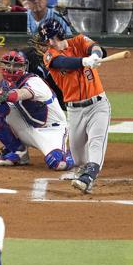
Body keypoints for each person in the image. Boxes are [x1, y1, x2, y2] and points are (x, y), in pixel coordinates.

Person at [38, 19, 110, 195]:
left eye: (52, 38)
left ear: (60, 34)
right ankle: (84, 170)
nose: (50, 43)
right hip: (75, 110)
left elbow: (96, 48)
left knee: (96, 142)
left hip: (98, 105)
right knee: (78, 158)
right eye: (47, 40)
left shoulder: (79, 41)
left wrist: (94, 56)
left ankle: (88, 177)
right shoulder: (49, 56)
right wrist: (84, 62)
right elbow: (63, 63)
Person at [0, 50, 73, 170]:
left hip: (52, 129)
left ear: (25, 67)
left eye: (16, 65)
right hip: (27, 126)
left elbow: (21, 94)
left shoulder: (34, 81)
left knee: (59, 163)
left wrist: (2, 95)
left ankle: (76, 153)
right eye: (7, 64)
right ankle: (19, 152)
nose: (11, 68)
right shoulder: (5, 84)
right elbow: (3, 101)